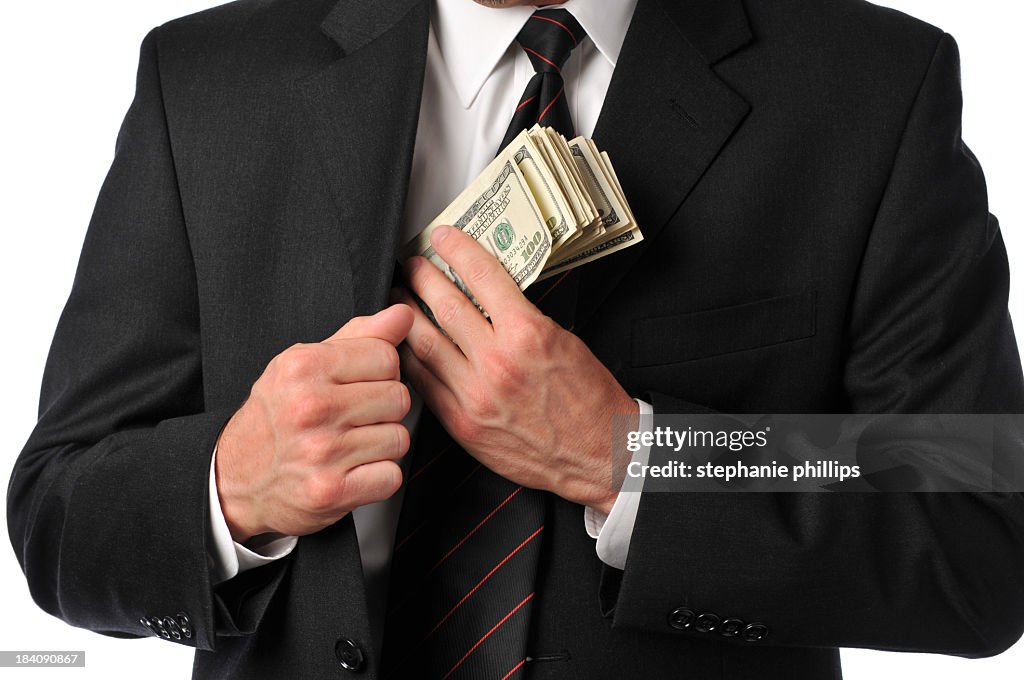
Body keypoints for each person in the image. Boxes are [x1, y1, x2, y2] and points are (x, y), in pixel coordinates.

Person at [8, 0, 1024, 678]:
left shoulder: (871, 84)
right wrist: (230, 485)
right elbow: (61, 508)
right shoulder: (209, 77)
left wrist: (639, 455)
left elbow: (975, 522)